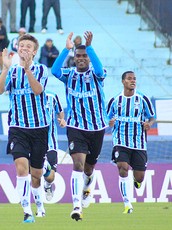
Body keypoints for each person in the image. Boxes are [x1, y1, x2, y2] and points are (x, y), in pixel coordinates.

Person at [51, 31, 108, 221]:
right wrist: (66, 50)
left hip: (97, 128)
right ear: (74, 58)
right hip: (76, 127)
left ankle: (88, 184)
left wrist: (90, 47)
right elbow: (54, 71)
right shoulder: (69, 75)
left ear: (89, 58)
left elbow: (100, 70)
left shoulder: (97, 75)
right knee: (78, 164)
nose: (81, 59)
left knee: (89, 169)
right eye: (78, 56)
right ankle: (76, 206)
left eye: (85, 56)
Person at [0, 34, 50, 223]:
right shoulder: (12, 71)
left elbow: (37, 90)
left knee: (36, 174)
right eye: (21, 45)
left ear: (34, 51)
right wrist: (4, 68)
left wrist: (27, 70)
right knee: (21, 168)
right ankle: (26, 209)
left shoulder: (42, 69)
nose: (24, 48)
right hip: (17, 127)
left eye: (28, 46)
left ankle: (39, 202)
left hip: (39, 128)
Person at [107, 71, 156, 214]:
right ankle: (127, 203)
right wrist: (110, 122)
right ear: (123, 81)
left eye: (134, 78)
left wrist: (149, 123)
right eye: (129, 79)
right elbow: (107, 118)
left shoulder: (142, 99)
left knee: (139, 177)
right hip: (120, 141)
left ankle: (137, 181)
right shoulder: (115, 100)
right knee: (122, 167)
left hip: (139, 143)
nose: (132, 81)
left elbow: (152, 116)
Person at [43, 91, 66, 201]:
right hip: (33, 141)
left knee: (51, 176)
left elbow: (60, 111)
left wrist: (61, 120)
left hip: (50, 142)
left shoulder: (52, 96)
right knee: (34, 172)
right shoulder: (26, 96)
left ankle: (47, 186)